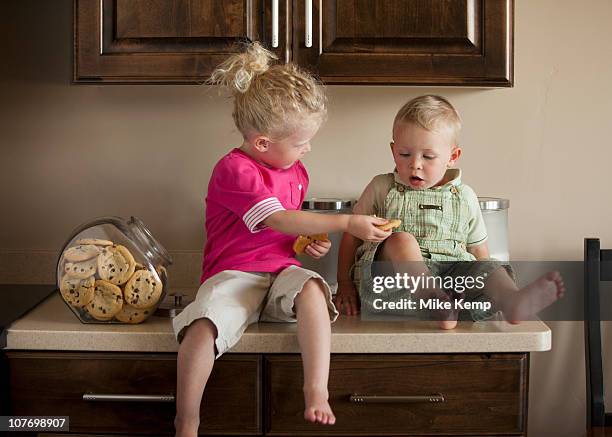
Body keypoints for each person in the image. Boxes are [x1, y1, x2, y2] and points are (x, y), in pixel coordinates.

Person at [172, 42, 391, 437]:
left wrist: (306, 244)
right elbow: (274, 216)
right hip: (234, 275)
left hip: (279, 273)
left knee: (311, 287)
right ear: (261, 143)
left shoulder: (296, 171)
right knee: (203, 325)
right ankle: (187, 420)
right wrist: (347, 223)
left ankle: (316, 390)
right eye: (300, 141)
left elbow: (282, 231)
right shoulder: (235, 170)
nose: (307, 149)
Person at [334, 94, 565, 329]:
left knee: (487, 265)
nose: (415, 164)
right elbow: (351, 234)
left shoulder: (465, 197)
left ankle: (510, 300)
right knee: (401, 240)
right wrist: (344, 283)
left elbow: (478, 251)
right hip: (396, 287)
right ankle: (434, 300)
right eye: (405, 154)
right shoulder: (382, 187)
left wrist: (490, 284)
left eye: (428, 156)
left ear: (452, 157)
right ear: (393, 151)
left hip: (454, 289)